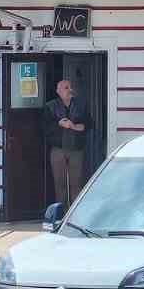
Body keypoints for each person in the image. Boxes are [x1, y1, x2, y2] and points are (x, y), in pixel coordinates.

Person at [45, 79, 91, 209]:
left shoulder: (81, 105)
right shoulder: (50, 106)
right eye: (66, 88)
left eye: (70, 87)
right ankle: (62, 212)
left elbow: (89, 123)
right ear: (58, 91)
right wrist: (59, 124)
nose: (70, 90)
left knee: (76, 183)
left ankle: (75, 212)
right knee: (59, 184)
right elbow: (44, 126)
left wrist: (75, 126)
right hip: (58, 149)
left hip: (76, 149)